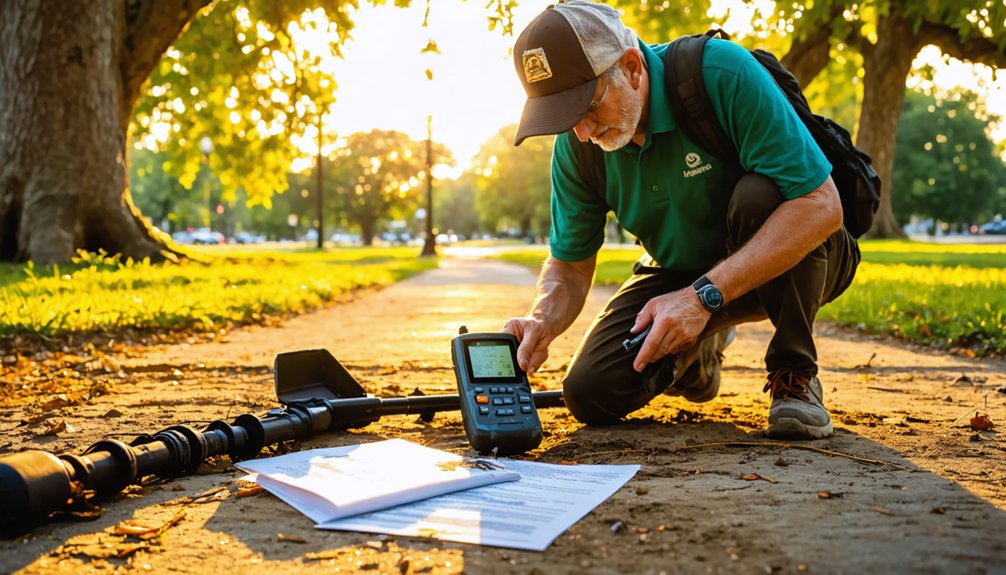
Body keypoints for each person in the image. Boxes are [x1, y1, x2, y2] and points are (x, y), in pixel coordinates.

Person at [502, 0, 860, 440]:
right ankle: (698, 354)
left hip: (804, 257)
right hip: (678, 272)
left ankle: (795, 373)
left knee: (762, 195)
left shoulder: (721, 73)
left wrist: (701, 299)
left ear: (632, 67)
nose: (582, 131)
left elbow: (819, 204)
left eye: (587, 106)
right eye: (563, 117)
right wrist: (542, 319)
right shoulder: (578, 147)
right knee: (591, 392)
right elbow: (570, 267)